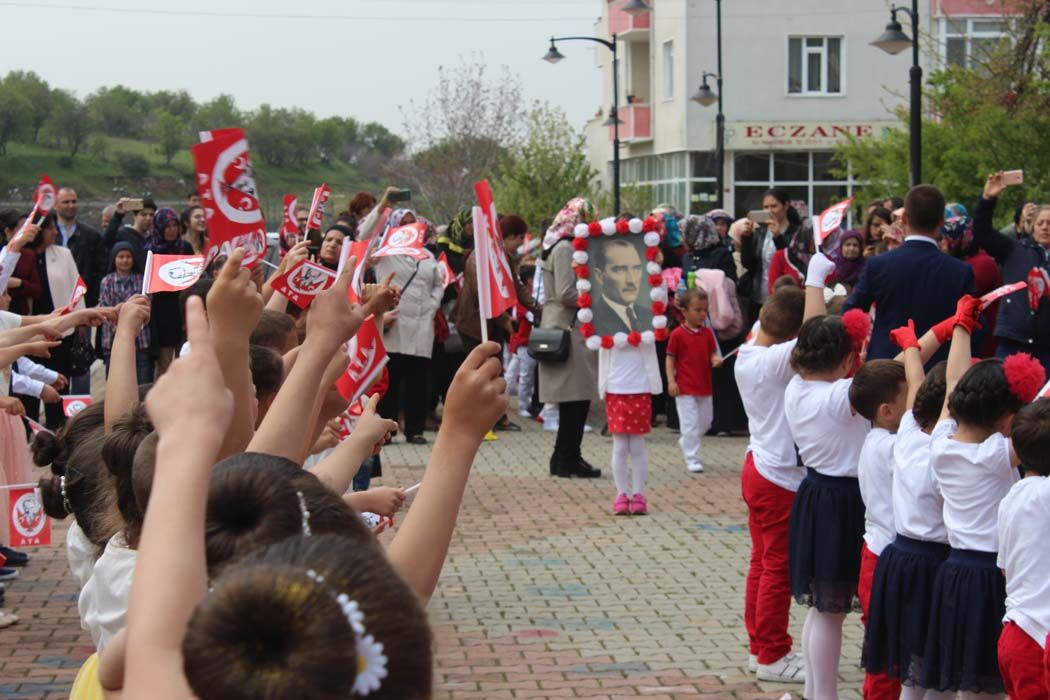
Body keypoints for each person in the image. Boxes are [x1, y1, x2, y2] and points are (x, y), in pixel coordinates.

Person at [920, 297, 1043, 696]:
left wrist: (962, 326)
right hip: (991, 576)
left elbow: (953, 384)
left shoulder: (940, 444)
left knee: (967, 681)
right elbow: (1040, 409)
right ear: (1007, 419)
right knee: (990, 684)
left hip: (954, 573)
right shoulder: (994, 455)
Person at [785, 253, 872, 700]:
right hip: (844, 502)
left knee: (821, 610)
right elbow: (886, 379)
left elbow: (810, 331)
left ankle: (818, 693)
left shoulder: (798, 387)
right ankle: (825, 696)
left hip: (815, 494)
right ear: (844, 361)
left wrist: (815, 282)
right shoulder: (841, 396)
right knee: (832, 611)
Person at [735, 284, 808, 682]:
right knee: (777, 568)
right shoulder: (773, 361)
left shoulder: (750, 350)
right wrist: (814, 280)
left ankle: (759, 646)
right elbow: (814, 333)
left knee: (762, 564)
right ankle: (773, 654)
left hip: (760, 466)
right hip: (778, 476)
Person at [845, 185, 975, 364]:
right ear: (942, 222)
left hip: (886, 368)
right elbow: (972, 327)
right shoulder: (960, 271)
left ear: (904, 218)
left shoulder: (879, 264)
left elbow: (851, 312)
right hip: (937, 370)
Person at [849, 358, 908, 700]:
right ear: (887, 410)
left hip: (875, 553)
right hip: (885, 559)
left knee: (884, 646)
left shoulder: (875, 438)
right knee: (887, 657)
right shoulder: (892, 446)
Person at [538, 198, 600, 478]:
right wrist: (595, 297)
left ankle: (565, 457)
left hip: (566, 325)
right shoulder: (564, 248)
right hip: (567, 326)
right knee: (575, 398)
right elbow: (566, 292)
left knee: (576, 399)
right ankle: (567, 459)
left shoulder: (559, 244)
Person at [995, 399, 1050, 700]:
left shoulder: (1011, 497)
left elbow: (1004, 566)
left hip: (1014, 632)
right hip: (1039, 639)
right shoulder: (1045, 494)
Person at [374, 217, 444, 445]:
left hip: (422, 327)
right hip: (394, 326)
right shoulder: (387, 253)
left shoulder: (428, 256)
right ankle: (388, 429)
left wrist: (432, 305)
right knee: (391, 383)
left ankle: (415, 429)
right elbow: (365, 239)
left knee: (418, 383)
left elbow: (438, 284)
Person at [974, 172, 1050, 371]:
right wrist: (988, 199)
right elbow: (982, 233)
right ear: (1032, 227)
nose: (1045, 227)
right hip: (1013, 340)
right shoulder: (1014, 249)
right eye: (1041, 223)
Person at [27, 213, 84, 429]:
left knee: (59, 378)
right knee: (30, 381)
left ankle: (58, 425)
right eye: (50, 228)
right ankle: (30, 427)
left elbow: (76, 287)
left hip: (61, 328)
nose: (54, 232)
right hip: (31, 329)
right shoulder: (26, 256)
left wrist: (80, 318)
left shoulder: (63, 254)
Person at [666, 288, 721, 473]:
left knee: (706, 422)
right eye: (697, 310)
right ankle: (692, 458)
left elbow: (713, 352)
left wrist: (715, 359)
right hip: (685, 387)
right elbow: (670, 358)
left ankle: (687, 440)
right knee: (689, 424)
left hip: (705, 386)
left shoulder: (707, 334)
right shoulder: (677, 334)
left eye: (705, 310)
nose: (702, 314)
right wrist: (671, 381)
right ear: (684, 311)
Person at [939, 212, 1001, 357]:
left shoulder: (983, 263)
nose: (942, 244)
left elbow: (957, 292)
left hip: (981, 340)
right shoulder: (961, 261)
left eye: (946, 238)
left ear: (960, 238)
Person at [738, 188, 805, 319]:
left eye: (774, 206)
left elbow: (794, 264)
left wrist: (778, 237)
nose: (769, 211)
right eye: (765, 207)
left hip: (786, 298)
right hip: (759, 297)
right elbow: (749, 264)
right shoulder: (761, 232)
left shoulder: (797, 232)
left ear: (786, 205)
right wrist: (746, 238)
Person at [98, 244, 151, 383]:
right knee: (115, 381)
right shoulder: (106, 281)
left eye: (128, 257)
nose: (125, 260)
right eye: (121, 257)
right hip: (113, 338)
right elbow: (104, 308)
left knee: (142, 383)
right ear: (114, 259)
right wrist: (122, 325)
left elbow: (147, 305)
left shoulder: (141, 280)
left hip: (141, 339)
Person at [55, 187, 107, 309]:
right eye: (66, 202)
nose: (71, 205)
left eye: (74, 201)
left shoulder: (92, 236)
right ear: (55, 205)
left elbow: (100, 269)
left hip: (82, 300)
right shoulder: (47, 235)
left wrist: (90, 298)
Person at [591, 238, 653, 336]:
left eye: (636, 268)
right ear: (600, 276)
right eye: (620, 270)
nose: (632, 280)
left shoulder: (649, 315)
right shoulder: (591, 319)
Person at [0, 209, 42, 314]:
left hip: (19, 312)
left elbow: (36, 289)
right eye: (23, 228)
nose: (27, 231)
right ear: (7, 231)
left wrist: (19, 283)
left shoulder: (28, 255)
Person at [103, 197, 157, 272]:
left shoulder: (155, 238)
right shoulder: (123, 234)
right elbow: (106, 242)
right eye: (144, 215)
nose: (148, 218)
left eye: (151, 215)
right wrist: (118, 215)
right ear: (135, 216)